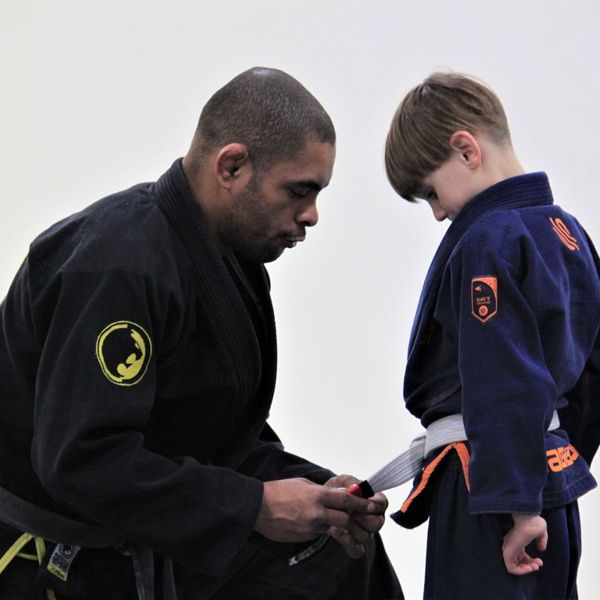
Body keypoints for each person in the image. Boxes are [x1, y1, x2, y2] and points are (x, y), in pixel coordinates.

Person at [0, 67, 403, 599]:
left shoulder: (230, 260)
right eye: (299, 191)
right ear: (232, 165)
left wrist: (320, 494)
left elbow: (220, 438)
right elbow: (81, 461)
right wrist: (254, 506)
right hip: (57, 556)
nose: (311, 216)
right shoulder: (117, 265)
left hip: (150, 527)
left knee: (337, 551)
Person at [384, 71, 600, 599]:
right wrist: (554, 469)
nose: (437, 213)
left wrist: (517, 504)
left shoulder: (489, 240)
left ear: (466, 150)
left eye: (431, 192)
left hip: (491, 491)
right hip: (551, 482)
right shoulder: (569, 234)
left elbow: (502, 374)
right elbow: (594, 375)